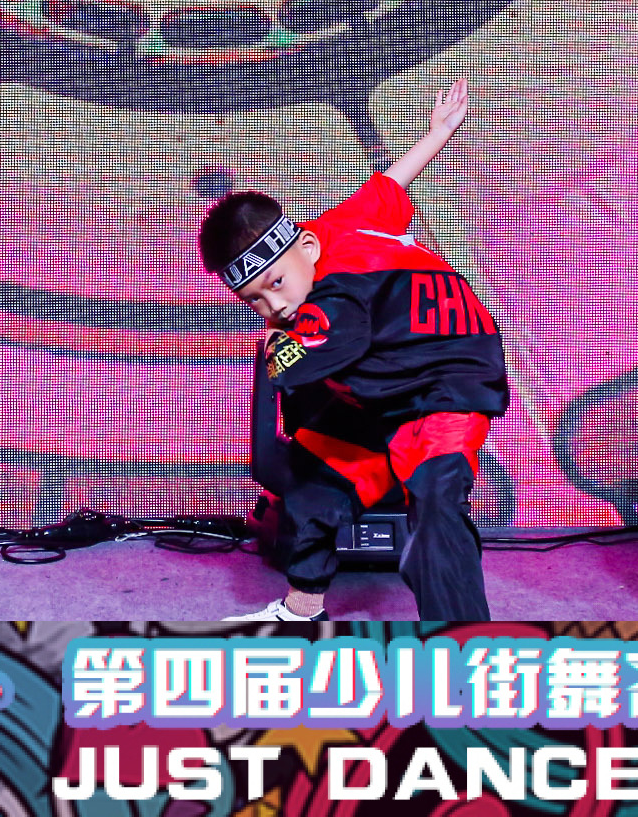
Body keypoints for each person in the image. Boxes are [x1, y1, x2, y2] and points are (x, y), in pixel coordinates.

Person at [200, 79, 506, 622]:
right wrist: (438, 132)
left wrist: (275, 346)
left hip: (444, 382)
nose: (277, 305)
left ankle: (462, 638)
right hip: (380, 378)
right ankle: (302, 609)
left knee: (436, 507)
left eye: (277, 284)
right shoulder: (332, 228)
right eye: (256, 299)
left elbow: (292, 364)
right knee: (313, 479)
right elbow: (389, 183)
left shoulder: (336, 297)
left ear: (307, 248)